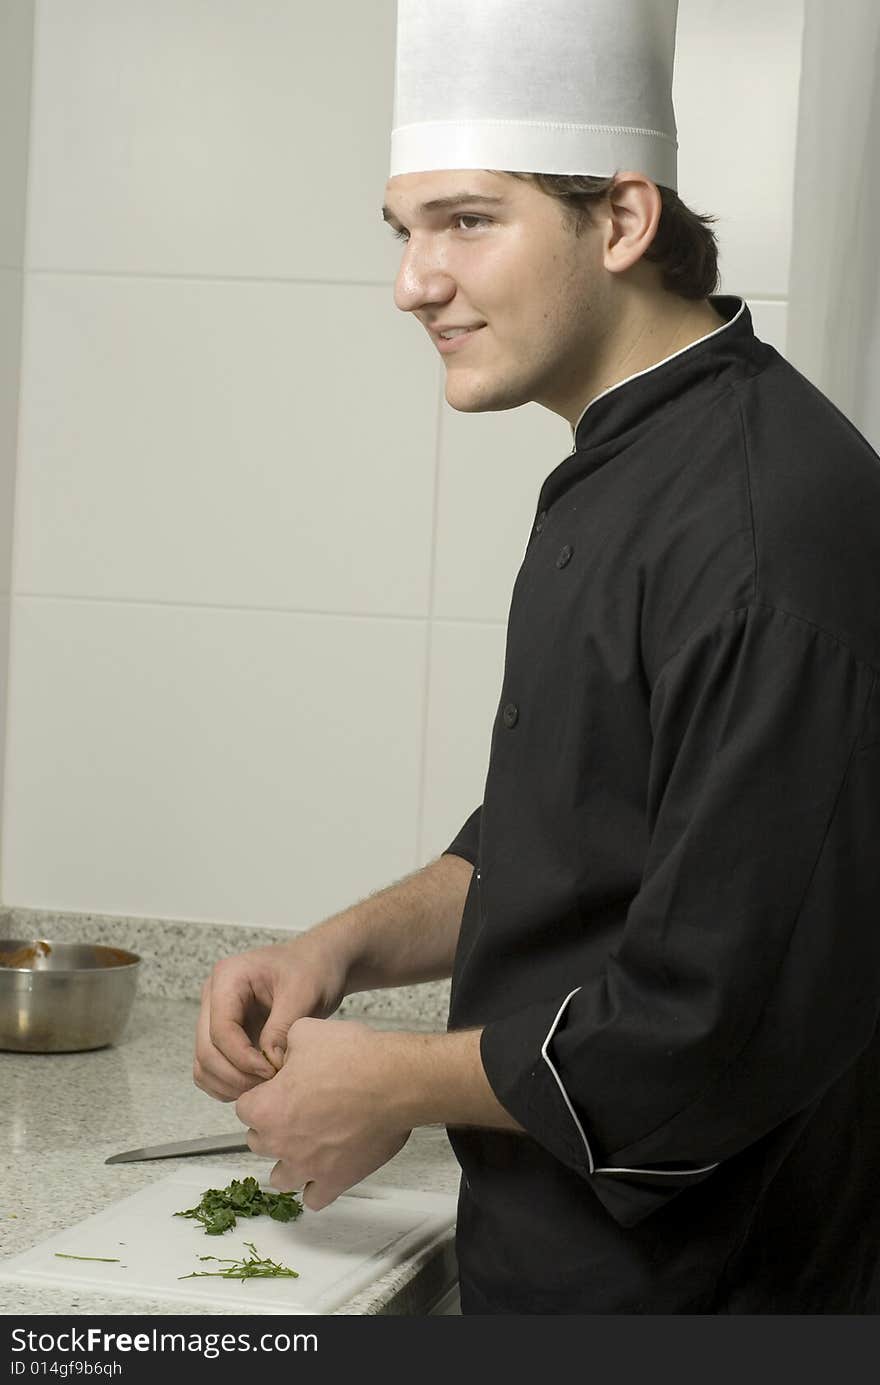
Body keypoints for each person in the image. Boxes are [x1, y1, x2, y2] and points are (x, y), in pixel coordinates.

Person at [194, 0, 880, 1312]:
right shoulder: (631, 461)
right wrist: (341, 950)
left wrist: (385, 1076)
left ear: (621, 220)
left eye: (466, 220)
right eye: (405, 232)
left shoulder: (759, 531)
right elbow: (571, 838)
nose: (413, 281)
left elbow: (706, 1033)